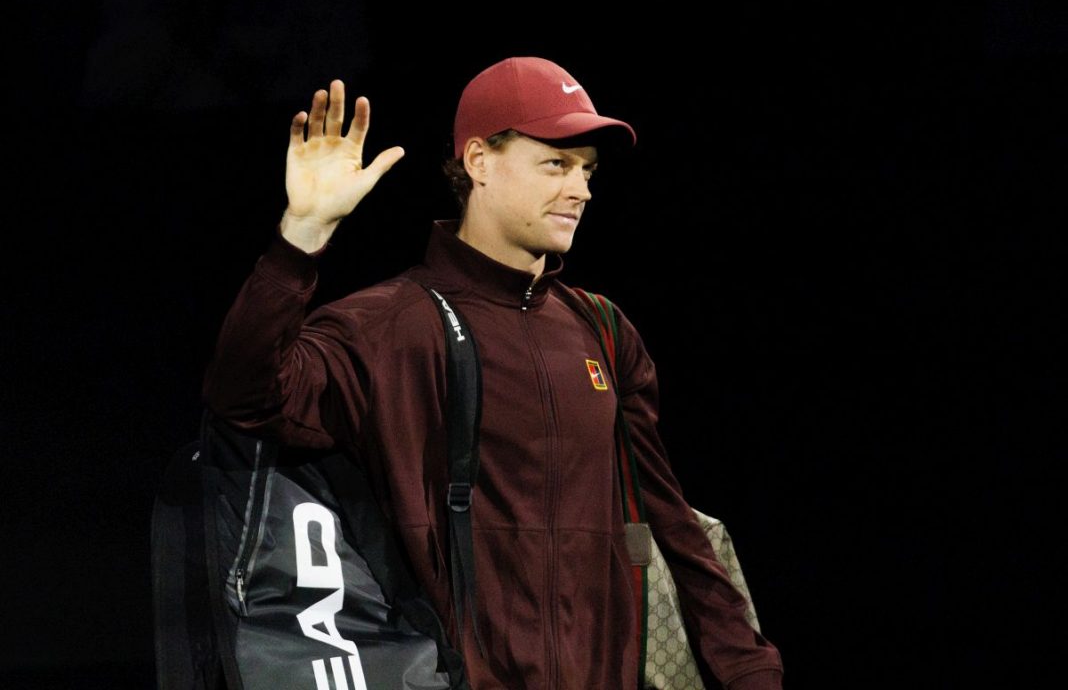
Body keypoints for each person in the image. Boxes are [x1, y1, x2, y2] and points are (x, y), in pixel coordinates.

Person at [202, 56, 784, 689]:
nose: (581, 190)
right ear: (479, 161)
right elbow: (246, 396)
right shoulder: (387, 326)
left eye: (587, 170)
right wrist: (303, 234)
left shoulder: (603, 331)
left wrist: (750, 671)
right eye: (556, 164)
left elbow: (671, 525)